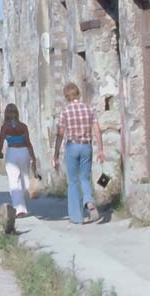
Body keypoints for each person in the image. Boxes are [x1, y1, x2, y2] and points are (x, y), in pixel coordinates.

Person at [52, 82, 104, 224]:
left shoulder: (66, 111)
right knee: (85, 178)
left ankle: (76, 217)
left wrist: (56, 154)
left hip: (72, 147)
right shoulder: (89, 109)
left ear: (66, 96)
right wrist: (100, 150)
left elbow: (60, 134)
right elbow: (97, 130)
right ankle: (88, 200)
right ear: (78, 93)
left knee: (73, 181)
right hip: (86, 146)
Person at [0, 103, 39, 217]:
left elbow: (1, 142)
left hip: (12, 153)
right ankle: (21, 207)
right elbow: (28, 143)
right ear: (17, 113)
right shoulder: (23, 126)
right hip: (24, 151)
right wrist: (33, 157)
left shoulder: (5, 127)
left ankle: (19, 209)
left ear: (6, 114)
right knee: (24, 179)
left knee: (14, 180)